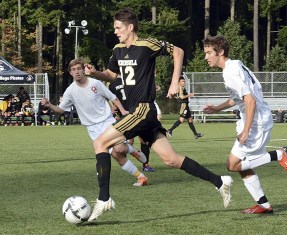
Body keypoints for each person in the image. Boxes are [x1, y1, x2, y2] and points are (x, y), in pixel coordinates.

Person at [84, 8, 233, 222]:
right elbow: (112, 75)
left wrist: (174, 81)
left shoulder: (146, 45)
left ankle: (104, 199)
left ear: (130, 27)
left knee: (100, 143)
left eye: (118, 28)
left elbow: (178, 51)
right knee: (171, 159)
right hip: (141, 113)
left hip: (143, 109)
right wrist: (95, 73)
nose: (115, 31)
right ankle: (220, 181)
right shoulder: (117, 49)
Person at [202, 35, 287, 214]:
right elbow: (239, 98)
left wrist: (246, 130)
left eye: (208, 53)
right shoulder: (236, 64)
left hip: (256, 123)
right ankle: (264, 205)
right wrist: (217, 108)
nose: (206, 57)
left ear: (220, 52)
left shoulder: (229, 74)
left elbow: (249, 100)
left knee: (232, 165)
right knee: (242, 166)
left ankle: (278, 154)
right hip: (255, 119)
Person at [41, 59, 148, 188]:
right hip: (93, 129)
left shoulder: (95, 84)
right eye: (73, 70)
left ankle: (132, 150)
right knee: (115, 154)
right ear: (70, 73)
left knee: (118, 149)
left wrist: (123, 110)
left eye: (79, 68)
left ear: (83, 70)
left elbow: (112, 97)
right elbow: (61, 109)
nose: (77, 72)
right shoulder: (70, 91)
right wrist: (50, 105)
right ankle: (141, 177)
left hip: (107, 121)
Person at [108, 76, 155, 172]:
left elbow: (113, 102)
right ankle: (138, 164)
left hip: (131, 114)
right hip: (131, 113)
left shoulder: (114, 83)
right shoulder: (121, 80)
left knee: (136, 141)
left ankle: (139, 164)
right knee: (136, 141)